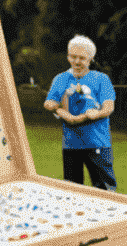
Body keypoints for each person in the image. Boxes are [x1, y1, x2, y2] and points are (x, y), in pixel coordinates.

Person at [44, 35, 117, 189]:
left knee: (105, 191)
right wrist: (62, 112)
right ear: (68, 56)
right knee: (72, 192)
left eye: (82, 58)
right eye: (73, 56)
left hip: (98, 143)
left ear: (90, 59)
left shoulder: (101, 79)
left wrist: (96, 114)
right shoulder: (60, 79)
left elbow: (109, 107)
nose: (77, 61)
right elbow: (49, 102)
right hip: (71, 144)